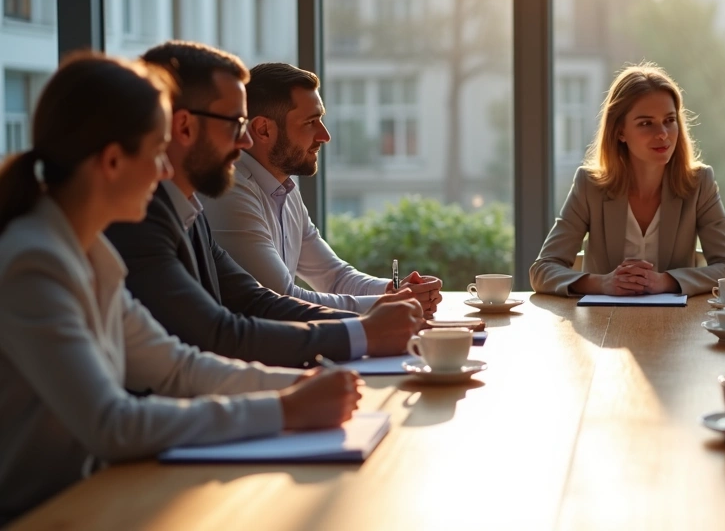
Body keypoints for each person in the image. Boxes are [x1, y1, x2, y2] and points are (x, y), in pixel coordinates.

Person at [0, 53, 362, 524]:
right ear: (111, 161)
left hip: (94, 502)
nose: (165, 171)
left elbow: (175, 366)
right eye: (156, 152)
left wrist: (300, 385)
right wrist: (283, 409)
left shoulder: (89, 255)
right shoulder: (35, 262)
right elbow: (113, 424)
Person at [105, 42, 424, 368]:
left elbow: (258, 301)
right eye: (235, 123)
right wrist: (364, 330)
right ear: (184, 126)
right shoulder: (142, 221)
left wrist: (372, 320)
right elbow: (218, 334)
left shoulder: (190, 211)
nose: (245, 142)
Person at [199, 62, 442, 315]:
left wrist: (397, 292)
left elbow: (335, 277)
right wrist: (388, 305)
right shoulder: (229, 190)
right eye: (310, 122)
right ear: (263, 129)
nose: (324, 135)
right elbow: (282, 299)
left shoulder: (283, 187)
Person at [530, 62, 725, 296]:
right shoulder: (590, 186)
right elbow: (542, 270)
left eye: (669, 120)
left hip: (677, 326)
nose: (662, 133)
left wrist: (665, 281)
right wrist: (602, 284)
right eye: (646, 123)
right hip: (604, 325)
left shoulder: (699, 183)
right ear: (620, 131)